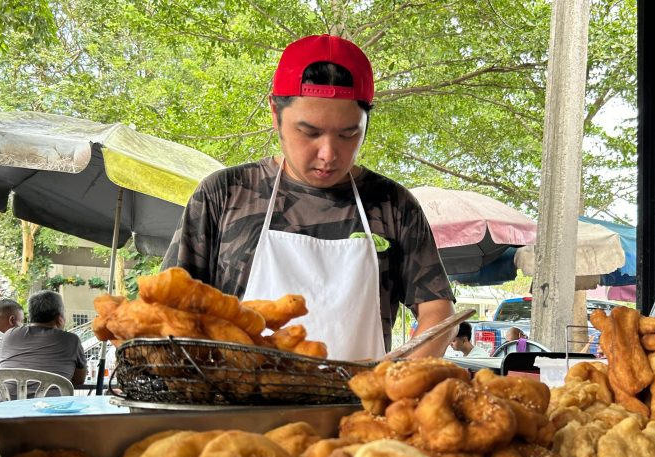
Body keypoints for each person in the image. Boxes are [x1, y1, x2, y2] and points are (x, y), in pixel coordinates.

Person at [162, 34, 455, 361]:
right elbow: (169, 308)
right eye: (310, 132)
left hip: (358, 393)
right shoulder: (223, 194)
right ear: (275, 112)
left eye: (348, 134)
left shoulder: (393, 204)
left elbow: (438, 312)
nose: (328, 154)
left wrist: (394, 373)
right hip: (236, 394)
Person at [0, 291, 87, 389]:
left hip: (7, 399)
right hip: (54, 399)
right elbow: (78, 380)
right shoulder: (71, 340)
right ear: (59, 317)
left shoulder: (10, 335)